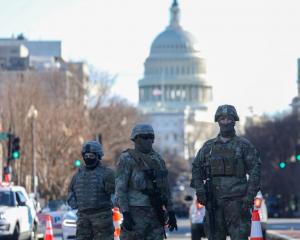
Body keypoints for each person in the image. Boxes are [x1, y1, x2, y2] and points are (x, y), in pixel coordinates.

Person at [191, 105, 261, 240]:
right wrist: (200, 191)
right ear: (218, 121)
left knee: (240, 237)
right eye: (222, 119)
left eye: (229, 119)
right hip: (214, 203)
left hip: (238, 202)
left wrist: (249, 196)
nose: (226, 122)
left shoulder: (244, 146)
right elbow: (196, 169)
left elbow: (255, 171)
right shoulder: (208, 147)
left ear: (234, 120)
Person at [116, 123, 177, 240]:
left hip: (155, 212)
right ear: (136, 139)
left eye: (151, 137)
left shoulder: (158, 159)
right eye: (144, 137)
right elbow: (120, 188)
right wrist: (125, 213)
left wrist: (171, 211)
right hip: (135, 212)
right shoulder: (127, 158)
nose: (148, 140)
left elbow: (165, 188)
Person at [67, 140, 115, 240]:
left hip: (102, 221)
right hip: (83, 221)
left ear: (98, 156)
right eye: (86, 156)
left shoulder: (107, 174)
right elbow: (71, 196)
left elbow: (116, 195)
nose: (88, 158)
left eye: (91, 156)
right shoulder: (77, 176)